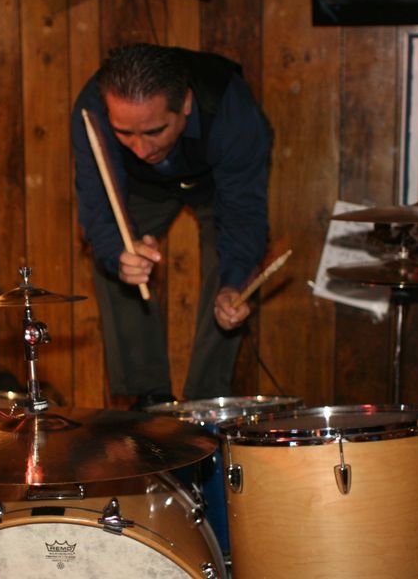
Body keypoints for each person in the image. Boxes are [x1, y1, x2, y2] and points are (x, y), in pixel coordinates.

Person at [70, 43, 271, 409]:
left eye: (154, 130)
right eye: (125, 133)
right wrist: (118, 254)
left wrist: (234, 284)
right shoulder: (93, 110)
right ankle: (148, 401)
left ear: (187, 104)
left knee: (232, 279)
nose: (141, 149)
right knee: (122, 259)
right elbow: (98, 209)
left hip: (216, 182)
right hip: (139, 186)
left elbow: (244, 215)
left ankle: (207, 404)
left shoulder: (231, 110)